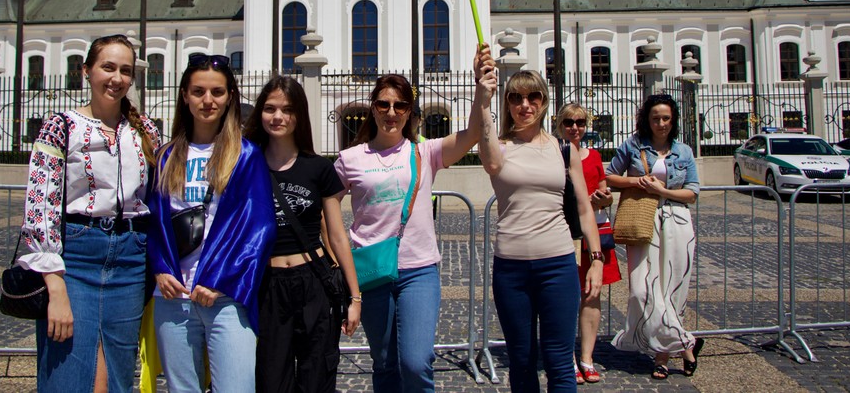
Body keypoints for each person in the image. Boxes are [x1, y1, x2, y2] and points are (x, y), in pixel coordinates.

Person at [334, 45, 497, 393]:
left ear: (409, 112)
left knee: (416, 360)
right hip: (372, 270)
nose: (391, 112)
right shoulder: (349, 158)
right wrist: (337, 257)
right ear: (372, 108)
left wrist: (481, 95)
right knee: (385, 363)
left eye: (399, 106)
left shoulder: (425, 151)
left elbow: (470, 135)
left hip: (419, 270)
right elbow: (327, 210)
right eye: (383, 105)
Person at [21, 34, 160, 392]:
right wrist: (54, 284)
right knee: (68, 369)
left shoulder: (145, 130)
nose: (116, 78)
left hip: (131, 257)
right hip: (77, 257)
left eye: (125, 71)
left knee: (116, 372)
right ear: (87, 71)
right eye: (108, 67)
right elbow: (41, 205)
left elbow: (158, 195)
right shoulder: (60, 126)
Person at [147, 53, 276, 393]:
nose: (208, 100)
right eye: (199, 91)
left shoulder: (244, 155)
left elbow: (259, 228)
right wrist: (161, 269)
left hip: (224, 296)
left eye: (217, 92)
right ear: (185, 96)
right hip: (174, 295)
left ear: (230, 97)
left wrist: (221, 281)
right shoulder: (165, 156)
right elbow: (154, 223)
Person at [477, 71, 603, 393]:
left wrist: (596, 258)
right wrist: (483, 94)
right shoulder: (499, 146)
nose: (525, 105)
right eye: (516, 97)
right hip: (511, 268)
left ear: (544, 102)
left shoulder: (564, 149)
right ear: (507, 103)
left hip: (558, 265)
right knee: (521, 360)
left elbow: (584, 207)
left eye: (533, 97)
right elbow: (491, 164)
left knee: (560, 361)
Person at [243, 75, 361, 393]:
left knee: (317, 377)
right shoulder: (245, 164)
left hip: (314, 281)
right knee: (271, 380)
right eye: (270, 108)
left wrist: (354, 295)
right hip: (267, 286)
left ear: (300, 115)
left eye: (287, 109)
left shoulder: (318, 167)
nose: (278, 116)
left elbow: (337, 235)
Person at [606, 92, 703, 380]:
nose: (661, 123)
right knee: (641, 290)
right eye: (656, 118)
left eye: (666, 119)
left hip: (677, 221)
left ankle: (662, 357)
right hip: (641, 219)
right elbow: (610, 177)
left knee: (672, 290)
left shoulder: (683, 152)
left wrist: (663, 191)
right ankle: (688, 344)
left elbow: (693, 192)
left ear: (673, 122)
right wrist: (636, 181)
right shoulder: (634, 145)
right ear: (646, 120)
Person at [554, 103, 621, 385]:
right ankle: (566, 356)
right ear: (559, 124)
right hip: (566, 231)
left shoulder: (593, 155)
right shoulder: (555, 153)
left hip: (596, 228)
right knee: (566, 297)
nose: (575, 128)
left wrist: (604, 198)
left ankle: (587, 357)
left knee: (592, 296)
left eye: (580, 122)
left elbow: (605, 186)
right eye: (569, 122)